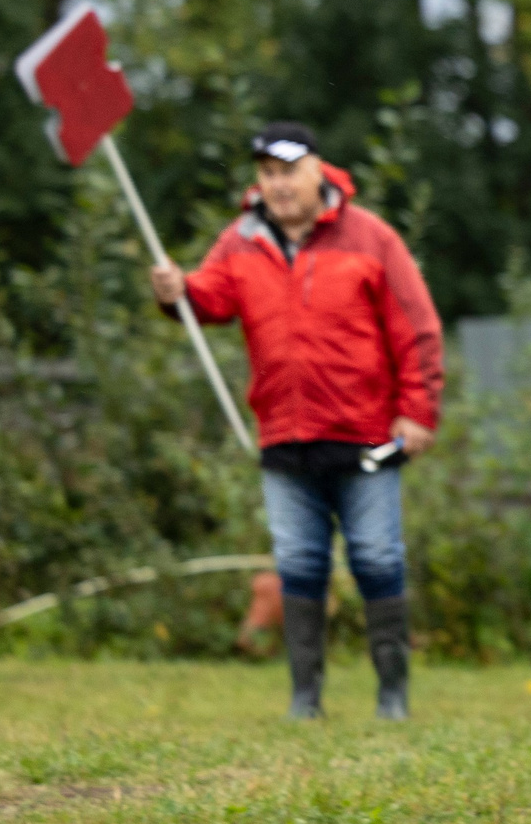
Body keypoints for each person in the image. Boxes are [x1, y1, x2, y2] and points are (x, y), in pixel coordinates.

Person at [150, 123, 442, 720]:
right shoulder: (241, 240)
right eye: (268, 174)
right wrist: (176, 291)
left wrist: (417, 411)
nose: (278, 185)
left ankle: (393, 697)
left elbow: (416, 327)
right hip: (284, 437)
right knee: (299, 566)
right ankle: (305, 699)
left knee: (377, 559)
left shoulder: (371, 237)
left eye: (288, 172)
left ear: (317, 171)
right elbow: (209, 299)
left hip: (364, 436)